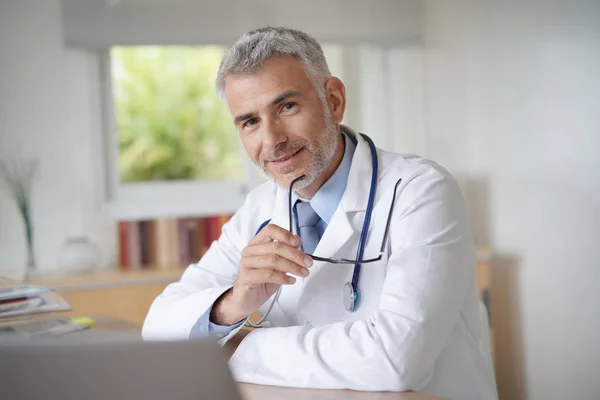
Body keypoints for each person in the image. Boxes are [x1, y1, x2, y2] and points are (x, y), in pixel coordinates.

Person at [142, 27, 497, 400]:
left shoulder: (420, 192)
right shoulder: (261, 208)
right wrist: (233, 305)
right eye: (250, 122)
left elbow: (396, 361)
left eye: (287, 107)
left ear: (334, 100)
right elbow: (159, 327)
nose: (272, 139)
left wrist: (236, 347)